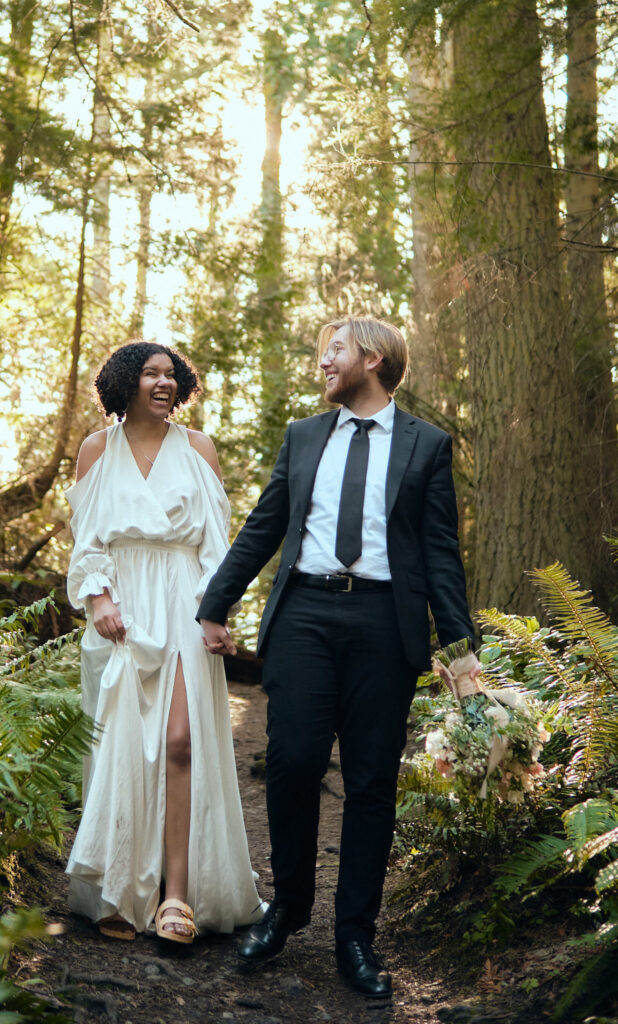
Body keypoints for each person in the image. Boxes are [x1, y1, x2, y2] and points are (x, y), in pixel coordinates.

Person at [198, 316, 473, 996]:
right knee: (290, 763)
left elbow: (441, 551)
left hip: (386, 623)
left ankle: (356, 935)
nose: (324, 362)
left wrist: (460, 646)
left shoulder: (427, 445)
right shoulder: (302, 437)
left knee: (372, 782)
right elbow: (265, 525)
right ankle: (287, 908)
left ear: (373, 360)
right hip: (306, 617)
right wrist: (215, 604)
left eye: (336, 351)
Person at [65, 341, 262, 945]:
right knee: (124, 745)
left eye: (171, 374)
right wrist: (99, 598)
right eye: (150, 373)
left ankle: (177, 895)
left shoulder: (198, 448)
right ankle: (121, 887)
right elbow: (88, 540)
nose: (163, 383)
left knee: (180, 741)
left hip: (182, 601)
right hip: (122, 605)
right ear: (124, 382)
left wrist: (215, 612)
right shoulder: (97, 449)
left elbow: (216, 548)